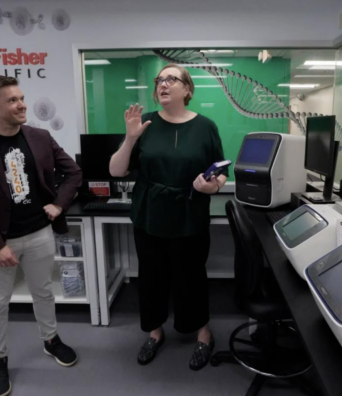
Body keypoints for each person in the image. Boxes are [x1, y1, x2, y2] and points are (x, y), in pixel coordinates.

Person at [0, 75, 82, 396]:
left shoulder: (39, 136)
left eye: (22, 98)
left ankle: (51, 340)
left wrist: (58, 204)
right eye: (12, 100)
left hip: (39, 233)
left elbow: (73, 173)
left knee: (44, 293)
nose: (22, 104)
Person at [109, 64, 229, 370]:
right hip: (150, 214)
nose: (163, 84)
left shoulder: (206, 126)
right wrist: (130, 138)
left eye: (171, 79)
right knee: (151, 276)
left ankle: (203, 333)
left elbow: (221, 172)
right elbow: (116, 170)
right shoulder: (144, 123)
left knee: (191, 276)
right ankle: (155, 331)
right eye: (159, 80)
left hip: (190, 212)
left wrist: (211, 185)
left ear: (187, 89)